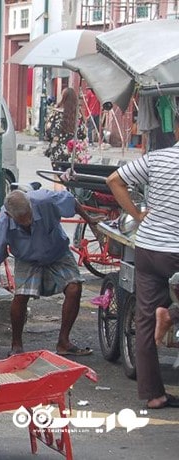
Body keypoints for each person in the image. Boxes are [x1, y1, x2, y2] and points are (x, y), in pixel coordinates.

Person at [106, 141, 179, 409]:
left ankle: (154, 395)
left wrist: (136, 214)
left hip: (149, 248)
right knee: (161, 314)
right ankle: (171, 315)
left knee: (145, 318)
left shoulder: (156, 158)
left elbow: (114, 179)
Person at [0, 189, 98, 358]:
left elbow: (71, 201)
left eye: (29, 216)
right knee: (21, 296)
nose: (28, 222)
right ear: (10, 216)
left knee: (74, 288)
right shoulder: (3, 221)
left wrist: (90, 220)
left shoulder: (45, 200)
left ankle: (64, 342)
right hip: (27, 257)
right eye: (23, 222)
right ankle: (16, 345)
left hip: (56, 251)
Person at [44, 87, 87, 168]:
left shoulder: (55, 114)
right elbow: (83, 134)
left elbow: (48, 132)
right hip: (74, 151)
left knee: (57, 177)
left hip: (57, 151)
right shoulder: (79, 115)